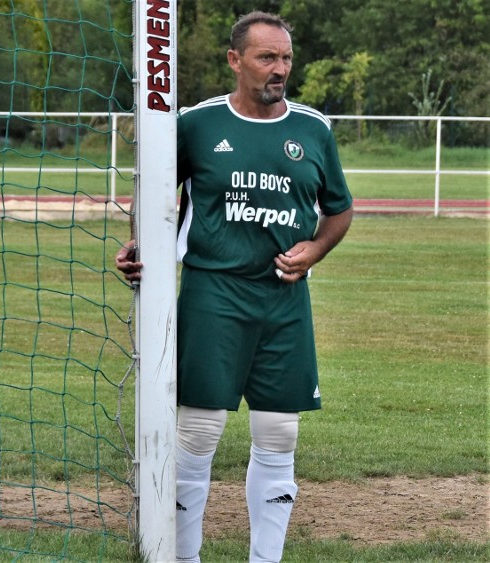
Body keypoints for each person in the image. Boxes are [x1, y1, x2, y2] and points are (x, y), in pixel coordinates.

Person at [116, 11, 353, 562]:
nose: (280, 69)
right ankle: (184, 557)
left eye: (286, 58)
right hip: (213, 295)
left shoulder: (312, 129)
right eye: (267, 58)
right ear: (235, 60)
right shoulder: (197, 124)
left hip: (285, 300)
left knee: (279, 434)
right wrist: (138, 246)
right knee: (197, 433)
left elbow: (339, 211)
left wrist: (315, 249)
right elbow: (152, 196)